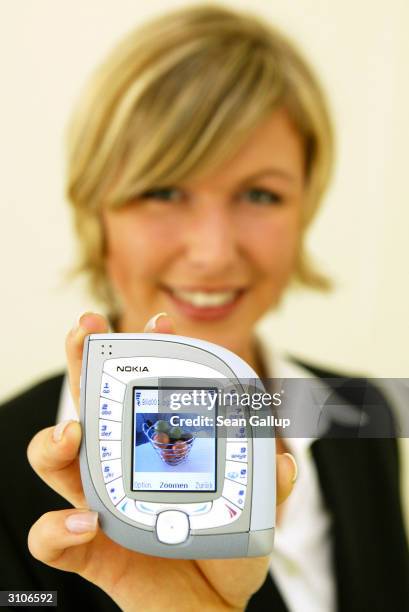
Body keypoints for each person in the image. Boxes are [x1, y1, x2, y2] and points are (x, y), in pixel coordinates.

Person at [0, 4, 408, 611]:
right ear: (97, 211)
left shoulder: (354, 414)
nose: (214, 253)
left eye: (259, 194)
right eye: (163, 190)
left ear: (305, 207)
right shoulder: (5, 471)